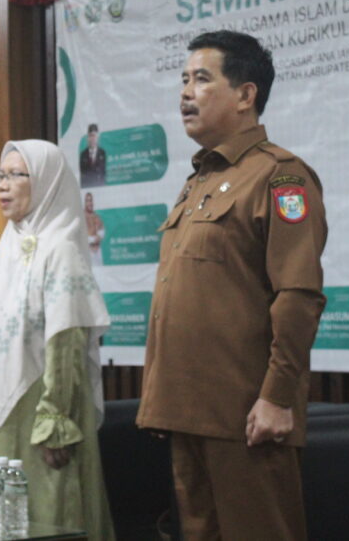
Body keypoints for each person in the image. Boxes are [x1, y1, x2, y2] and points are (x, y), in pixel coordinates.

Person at [136, 31, 327, 540]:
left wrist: (277, 397)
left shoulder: (280, 177)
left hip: (247, 416)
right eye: (183, 80)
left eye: (202, 79)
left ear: (246, 95)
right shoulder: (196, 183)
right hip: (187, 411)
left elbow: (299, 295)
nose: (185, 93)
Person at [0, 139, 115, 539]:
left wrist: (53, 419)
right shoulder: (4, 248)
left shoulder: (61, 250)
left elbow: (65, 345)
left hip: (39, 419)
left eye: (16, 175)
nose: (3, 185)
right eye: (0, 176)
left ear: (45, 181)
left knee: (45, 517)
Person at [83, 192, 105, 265]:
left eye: (91, 200)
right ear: (85, 203)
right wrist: (92, 240)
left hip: (97, 251)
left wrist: (99, 236)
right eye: (87, 201)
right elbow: (81, 236)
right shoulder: (82, 217)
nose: (90, 203)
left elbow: (102, 232)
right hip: (88, 251)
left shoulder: (96, 216)